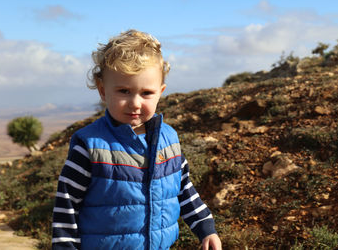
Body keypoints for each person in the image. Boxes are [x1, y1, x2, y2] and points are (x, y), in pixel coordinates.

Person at [51, 29, 222, 250]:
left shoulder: (168, 140)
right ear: (103, 91)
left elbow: (183, 189)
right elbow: (66, 206)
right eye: (124, 91)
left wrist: (206, 228)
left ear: (161, 92)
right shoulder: (90, 145)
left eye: (146, 93)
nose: (135, 103)